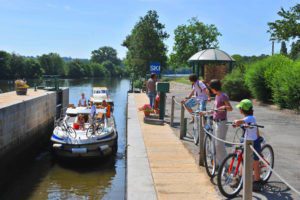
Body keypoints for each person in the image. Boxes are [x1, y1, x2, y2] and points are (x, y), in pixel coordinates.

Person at [233, 99, 262, 191]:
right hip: (247, 141)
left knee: (255, 162)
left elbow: (242, 121)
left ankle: (257, 181)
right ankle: (240, 177)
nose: (239, 110)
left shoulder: (251, 118)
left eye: (240, 108)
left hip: (254, 142)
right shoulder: (247, 118)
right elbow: (243, 123)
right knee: (243, 158)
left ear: (242, 109)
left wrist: (237, 122)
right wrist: (237, 124)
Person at [209, 79, 232, 167]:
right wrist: (207, 112)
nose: (210, 90)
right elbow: (215, 109)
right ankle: (218, 163)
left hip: (221, 123)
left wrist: (224, 107)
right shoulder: (216, 96)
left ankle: (225, 165)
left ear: (214, 88)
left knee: (219, 145)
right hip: (215, 122)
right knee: (215, 143)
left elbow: (230, 108)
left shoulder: (223, 96)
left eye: (211, 88)